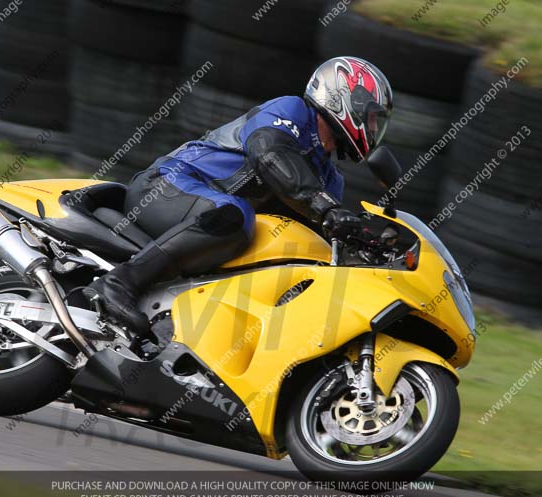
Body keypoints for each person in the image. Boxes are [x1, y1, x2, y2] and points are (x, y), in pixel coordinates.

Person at [84, 56, 394, 334]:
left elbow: (312, 237)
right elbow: (269, 154)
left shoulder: (330, 178)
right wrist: (324, 208)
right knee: (235, 215)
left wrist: (361, 243)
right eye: (371, 117)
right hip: (164, 187)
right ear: (343, 97)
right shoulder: (292, 111)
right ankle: (120, 282)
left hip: (209, 221)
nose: (373, 127)